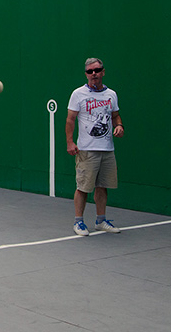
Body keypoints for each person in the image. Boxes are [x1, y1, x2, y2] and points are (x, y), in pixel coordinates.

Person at [66, 57, 124, 236]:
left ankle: (100, 221)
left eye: (97, 70)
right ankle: (78, 222)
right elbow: (70, 119)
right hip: (87, 150)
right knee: (83, 187)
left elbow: (115, 116)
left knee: (102, 186)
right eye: (90, 72)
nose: (94, 74)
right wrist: (70, 142)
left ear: (103, 72)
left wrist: (119, 126)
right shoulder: (78, 94)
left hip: (107, 149)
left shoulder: (111, 94)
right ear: (86, 74)